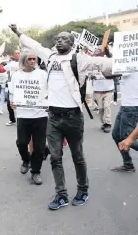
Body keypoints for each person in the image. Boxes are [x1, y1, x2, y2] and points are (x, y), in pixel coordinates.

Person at [9, 24, 112, 211]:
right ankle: (61, 194)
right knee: (56, 158)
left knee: (77, 157)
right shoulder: (50, 57)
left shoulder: (79, 59)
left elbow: (104, 64)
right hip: (53, 118)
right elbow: (35, 45)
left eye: (63, 38)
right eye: (57, 38)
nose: (59, 41)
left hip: (73, 117)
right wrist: (19, 33)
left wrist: (135, 62)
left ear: (71, 43)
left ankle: (83, 190)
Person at [10, 52, 48, 185]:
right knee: (21, 142)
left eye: (34, 59)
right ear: (24, 60)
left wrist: (48, 103)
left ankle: (36, 172)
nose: (32, 61)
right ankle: (26, 159)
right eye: (30, 59)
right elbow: (13, 93)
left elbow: (49, 91)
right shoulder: (16, 75)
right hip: (23, 115)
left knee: (39, 146)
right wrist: (12, 103)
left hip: (40, 115)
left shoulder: (43, 74)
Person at [110, 72, 138, 174]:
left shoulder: (129, 66)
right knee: (116, 135)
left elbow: (109, 74)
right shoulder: (125, 63)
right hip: (126, 105)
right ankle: (128, 164)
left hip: (133, 106)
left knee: (126, 137)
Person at [119, 110, 138, 175]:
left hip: (132, 107)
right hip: (125, 107)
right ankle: (127, 164)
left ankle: (128, 165)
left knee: (124, 136)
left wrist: (130, 139)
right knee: (117, 134)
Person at [5, 50, 20, 126]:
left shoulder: (24, 63)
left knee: (19, 103)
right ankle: (12, 119)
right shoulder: (11, 64)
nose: (17, 54)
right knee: (9, 104)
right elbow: (3, 70)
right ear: (14, 55)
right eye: (16, 53)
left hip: (20, 86)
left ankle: (20, 120)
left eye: (18, 53)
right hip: (12, 86)